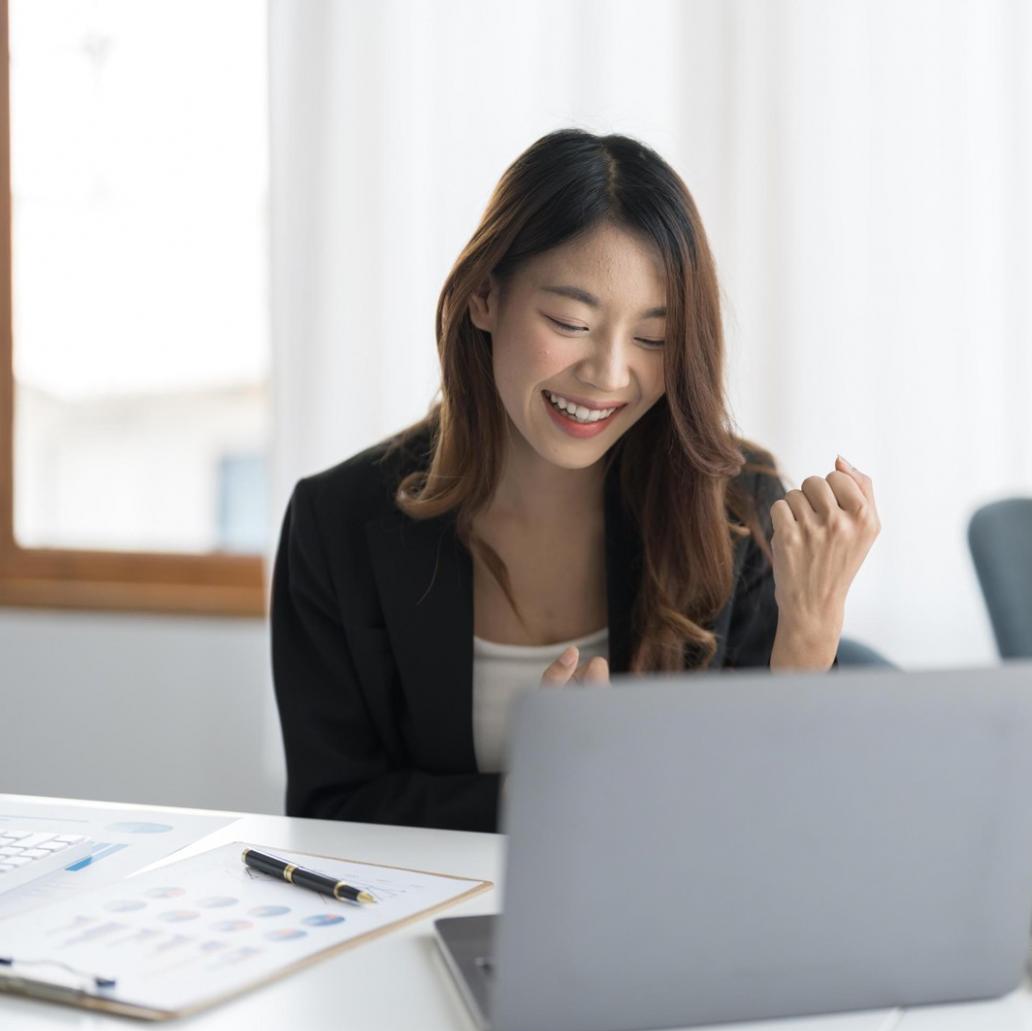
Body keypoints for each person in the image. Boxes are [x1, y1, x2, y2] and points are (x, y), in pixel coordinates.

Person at [270, 130, 880, 831]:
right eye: (570, 321)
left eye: (653, 338)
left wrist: (809, 631)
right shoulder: (337, 522)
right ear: (483, 299)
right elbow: (331, 808)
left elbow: (782, 819)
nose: (608, 374)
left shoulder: (737, 507)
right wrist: (549, 788)